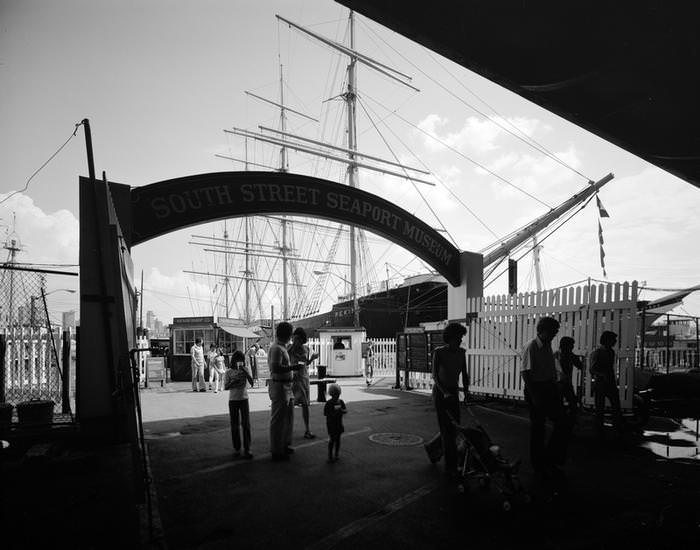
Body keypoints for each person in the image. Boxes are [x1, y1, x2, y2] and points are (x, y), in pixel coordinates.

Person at [521, 316, 570, 478]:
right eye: (553, 331)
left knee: (562, 422)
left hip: (549, 387)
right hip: (536, 389)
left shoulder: (548, 346)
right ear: (543, 331)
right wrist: (535, 397)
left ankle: (550, 458)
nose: (555, 334)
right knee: (538, 428)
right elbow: (526, 373)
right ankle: (538, 464)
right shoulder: (531, 346)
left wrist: (556, 387)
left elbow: (549, 369)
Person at [430, 322, 469, 477]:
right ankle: (450, 467)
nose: (460, 340)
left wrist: (467, 392)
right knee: (447, 430)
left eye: (461, 337)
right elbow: (434, 376)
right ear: (450, 338)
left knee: (454, 428)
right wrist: (444, 392)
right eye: (458, 337)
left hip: (452, 392)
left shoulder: (461, 352)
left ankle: (432, 448)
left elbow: (464, 375)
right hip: (441, 393)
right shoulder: (439, 352)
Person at [268, 322, 301, 461]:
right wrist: (292, 367)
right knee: (278, 420)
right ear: (287, 334)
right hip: (280, 386)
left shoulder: (282, 347)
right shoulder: (276, 348)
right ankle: (277, 450)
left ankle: (284, 445)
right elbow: (275, 368)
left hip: (286, 386)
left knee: (287, 418)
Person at [590, 330, 624, 441]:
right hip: (601, 384)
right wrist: (602, 375)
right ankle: (601, 430)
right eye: (613, 340)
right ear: (607, 340)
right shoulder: (598, 353)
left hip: (608, 383)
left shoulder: (610, 352)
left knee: (613, 407)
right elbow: (592, 369)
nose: (615, 341)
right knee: (602, 408)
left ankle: (612, 429)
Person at [288, 327, 319, 439]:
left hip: (304, 378)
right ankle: (287, 430)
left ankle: (307, 429)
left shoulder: (306, 348)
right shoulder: (290, 348)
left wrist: (312, 359)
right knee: (290, 404)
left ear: (302, 339)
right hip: (293, 379)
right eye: (294, 338)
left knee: (305, 405)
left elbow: (305, 363)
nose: (296, 340)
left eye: (298, 338)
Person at [225, 349, 254, 459]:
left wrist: (245, 372)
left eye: (241, 360)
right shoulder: (228, 372)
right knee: (234, 425)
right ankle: (237, 448)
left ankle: (247, 448)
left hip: (244, 398)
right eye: (238, 360)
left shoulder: (245, 369)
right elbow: (225, 387)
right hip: (233, 400)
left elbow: (251, 383)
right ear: (234, 361)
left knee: (246, 424)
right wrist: (233, 382)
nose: (240, 362)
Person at [554, 336, 583, 420]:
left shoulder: (568, 355)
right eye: (571, 345)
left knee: (570, 404)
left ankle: (566, 421)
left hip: (564, 383)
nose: (573, 347)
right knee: (565, 404)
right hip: (559, 384)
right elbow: (580, 366)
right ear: (566, 345)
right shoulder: (557, 355)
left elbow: (580, 365)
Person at [323, 383, 347, 463]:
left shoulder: (340, 402)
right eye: (336, 395)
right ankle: (331, 455)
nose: (337, 396)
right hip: (332, 424)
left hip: (337, 424)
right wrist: (334, 413)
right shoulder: (329, 403)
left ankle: (335, 454)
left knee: (337, 440)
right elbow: (326, 413)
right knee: (333, 440)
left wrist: (341, 411)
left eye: (338, 395)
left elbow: (345, 410)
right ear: (332, 394)